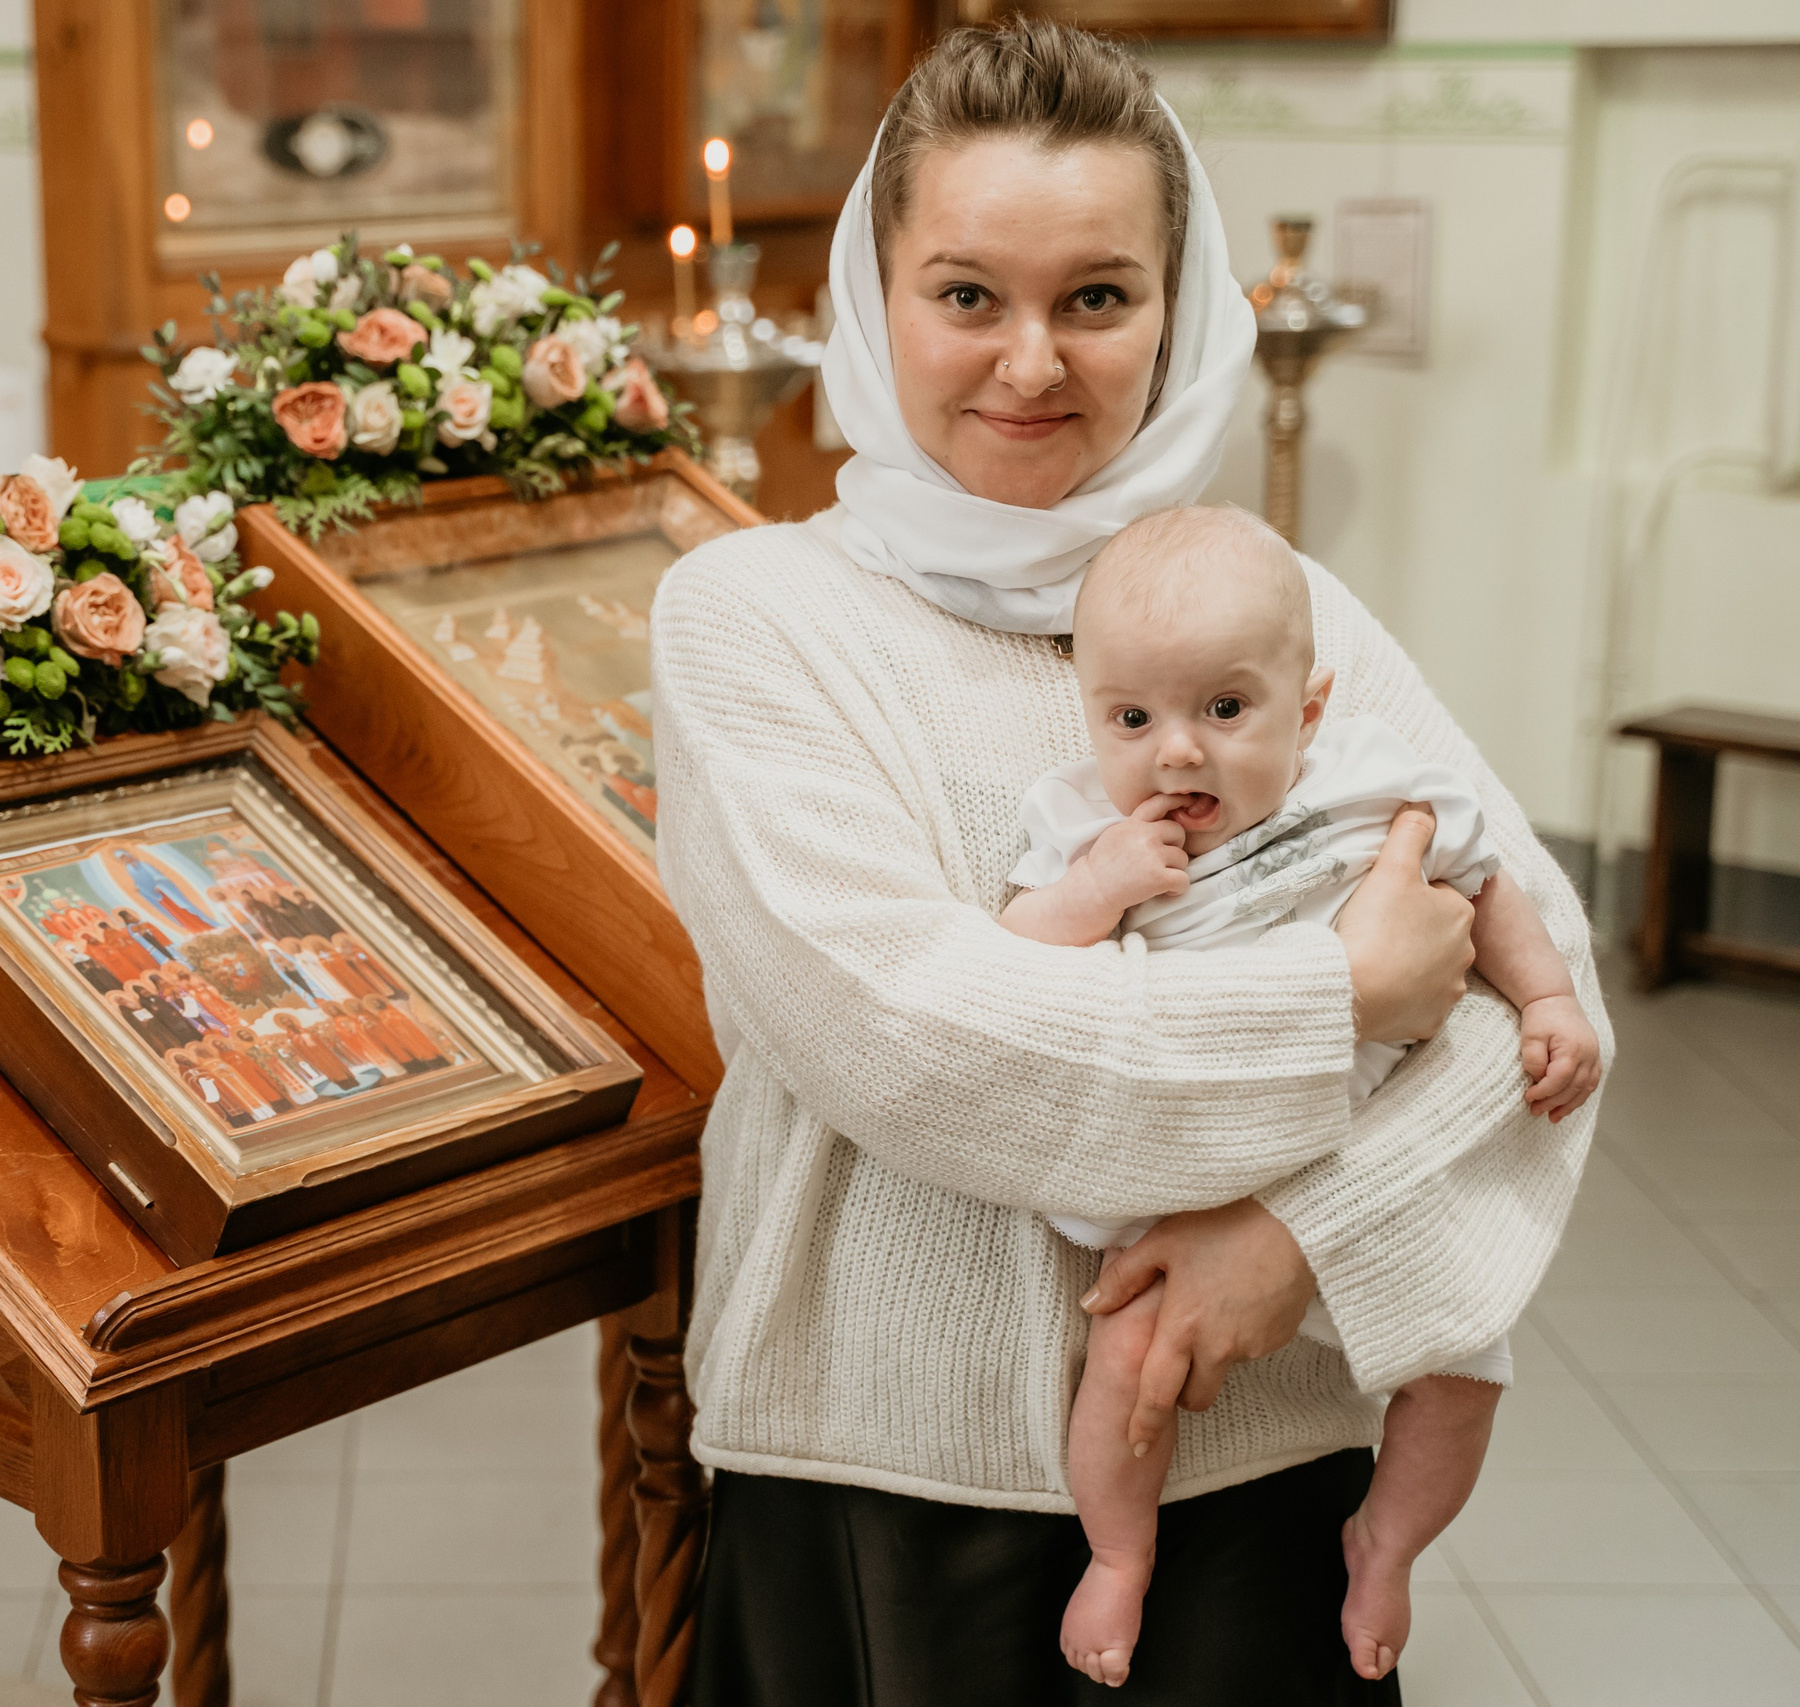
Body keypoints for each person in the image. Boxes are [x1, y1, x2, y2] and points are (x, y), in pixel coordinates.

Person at [648, 21, 1606, 1704]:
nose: (1031, 363)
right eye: (967, 296)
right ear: (874, 305)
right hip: (884, 1470)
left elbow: (1541, 996)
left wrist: (1298, 1237)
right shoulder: (755, 619)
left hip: (1263, 1452)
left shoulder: (1280, 608)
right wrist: (1339, 998)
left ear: (1181, 308)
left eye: (1097, 297)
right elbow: (917, 1044)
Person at [996, 505, 1604, 1685]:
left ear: (1307, 708)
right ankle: (1119, 1555)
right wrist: (1094, 891)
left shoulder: (1370, 781)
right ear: (1091, 716)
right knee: (1126, 1365)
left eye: (1224, 711)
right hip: (1180, 1166)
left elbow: (1485, 891)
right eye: (1133, 718)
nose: (1175, 753)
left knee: (1464, 1363)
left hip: (1348, 1170)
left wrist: (1548, 1005)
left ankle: (1385, 1543)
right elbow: (1019, 961)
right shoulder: (1079, 822)